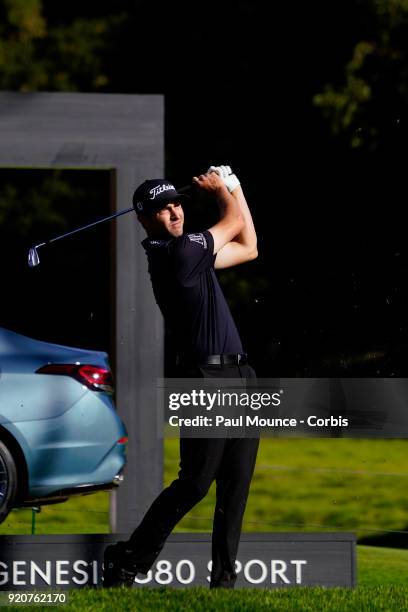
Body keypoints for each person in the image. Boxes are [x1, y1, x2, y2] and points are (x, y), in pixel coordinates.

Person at [103, 165, 259, 589]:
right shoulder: (178, 252)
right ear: (144, 217)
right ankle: (127, 560)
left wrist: (235, 187)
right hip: (205, 377)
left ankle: (224, 582)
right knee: (195, 482)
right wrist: (223, 189)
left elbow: (248, 247)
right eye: (163, 209)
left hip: (240, 374)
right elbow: (233, 222)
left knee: (236, 485)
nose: (174, 213)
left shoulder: (193, 252)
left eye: (177, 205)